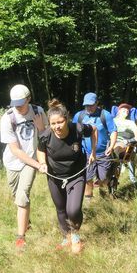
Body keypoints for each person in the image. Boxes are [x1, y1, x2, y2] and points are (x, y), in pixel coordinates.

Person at [36, 99, 97, 253]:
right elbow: (40, 150)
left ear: (67, 119)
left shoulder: (78, 128)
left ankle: (75, 235)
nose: (57, 127)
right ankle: (66, 237)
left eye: (60, 122)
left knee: (73, 210)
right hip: (54, 177)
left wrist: (93, 153)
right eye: (53, 123)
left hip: (76, 174)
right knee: (61, 209)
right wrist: (42, 163)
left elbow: (94, 130)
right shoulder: (45, 135)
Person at [0, 84, 48, 251]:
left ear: (29, 99)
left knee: (22, 196)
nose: (18, 107)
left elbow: (46, 135)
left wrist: (41, 128)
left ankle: (20, 238)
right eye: (15, 103)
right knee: (17, 196)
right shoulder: (7, 118)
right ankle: (27, 221)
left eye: (21, 103)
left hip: (32, 161)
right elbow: (15, 150)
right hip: (12, 162)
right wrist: (38, 165)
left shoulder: (38, 111)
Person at [72, 93, 118, 200]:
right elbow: (73, 133)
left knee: (103, 177)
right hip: (86, 153)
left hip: (103, 153)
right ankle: (89, 200)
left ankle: (105, 193)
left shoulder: (105, 115)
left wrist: (111, 146)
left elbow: (113, 131)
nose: (88, 107)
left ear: (97, 103)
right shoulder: (79, 116)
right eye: (86, 105)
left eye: (91, 105)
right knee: (88, 178)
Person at [111, 103, 137, 186]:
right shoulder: (112, 120)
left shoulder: (130, 122)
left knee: (118, 149)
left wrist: (129, 141)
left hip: (124, 143)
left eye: (128, 110)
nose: (126, 111)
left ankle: (131, 178)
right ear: (119, 111)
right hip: (111, 141)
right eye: (124, 109)